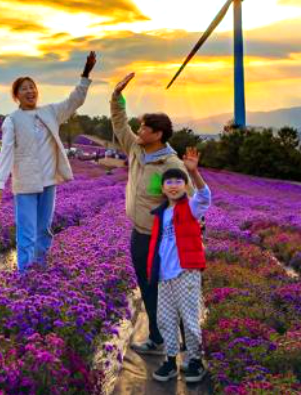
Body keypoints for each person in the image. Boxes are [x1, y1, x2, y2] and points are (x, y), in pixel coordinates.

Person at [110, 72, 193, 361]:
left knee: (171, 290)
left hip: (163, 239)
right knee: (148, 288)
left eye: (144, 128)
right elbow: (120, 126)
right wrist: (117, 97)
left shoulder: (171, 164)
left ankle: (184, 344)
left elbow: (187, 201)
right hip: (140, 234)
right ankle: (159, 338)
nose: (139, 130)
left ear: (157, 135)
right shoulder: (136, 149)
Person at [0, 51, 97, 272]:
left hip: (48, 181)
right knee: (27, 232)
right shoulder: (12, 120)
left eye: (32, 87)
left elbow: (75, 100)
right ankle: (24, 275)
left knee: (44, 230)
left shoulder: (50, 112)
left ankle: (40, 271)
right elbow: (6, 152)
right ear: (16, 96)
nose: (30, 91)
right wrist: (0, 183)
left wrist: (86, 73)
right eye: (24, 88)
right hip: (26, 185)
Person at [147, 148, 210, 383]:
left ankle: (194, 360)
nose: (173, 185)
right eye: (169, 182)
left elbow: (205, 197)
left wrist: (194, 173)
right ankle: (170, 360)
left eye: (178, 181)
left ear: (185, 186)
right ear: (163, 188)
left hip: (186, 272)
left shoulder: (191, 208)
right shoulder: (160, 213)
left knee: (190, 318)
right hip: (164, 275)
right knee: (165, 319)